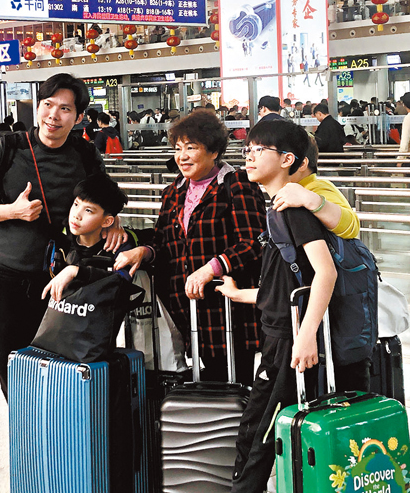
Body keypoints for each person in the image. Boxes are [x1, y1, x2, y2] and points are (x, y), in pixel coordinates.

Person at [218, 119, 368, 493]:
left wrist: (305, 336)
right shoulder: (279, 206)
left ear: (288, 159)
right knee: (259, 431)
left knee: (259, 437)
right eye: (246, 150)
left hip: (289, 341)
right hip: (280, 337)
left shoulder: (297, 205)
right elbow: (288, 284)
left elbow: (326, 273)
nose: (248, 157)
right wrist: (242, 295)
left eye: (257, 151)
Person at [0, 74, 126, 398]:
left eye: (64, 109)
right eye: (47, 105)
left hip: (62, 284)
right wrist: (11, 211)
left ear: (78, 118)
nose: (53, 115)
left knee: (61, 379)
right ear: (37, 107)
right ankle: (28, 444)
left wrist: (112, 223)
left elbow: (105, 199)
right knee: (17, 380)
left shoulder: (85, 155)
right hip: (5, 282)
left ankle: (58, 444)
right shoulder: (6, 149)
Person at [114, 110, 266, 386]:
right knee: (204, 383)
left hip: (226, 310)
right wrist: (144, 251)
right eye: (178, 149)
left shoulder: (237, 185)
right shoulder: (173, 192)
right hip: (185, 308)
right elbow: (164, 241)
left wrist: (212, 267)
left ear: (214, 151)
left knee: (233, 383)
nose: (182, 156)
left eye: (191, 148)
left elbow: (255, 242)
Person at [42, 173, 133, 301]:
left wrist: (78, 272)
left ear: (107, 221)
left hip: (100, 317)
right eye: (76, 204)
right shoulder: (61, 240)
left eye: (88, 210)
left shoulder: (117, 245)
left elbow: (122, 282)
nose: (76, 215)